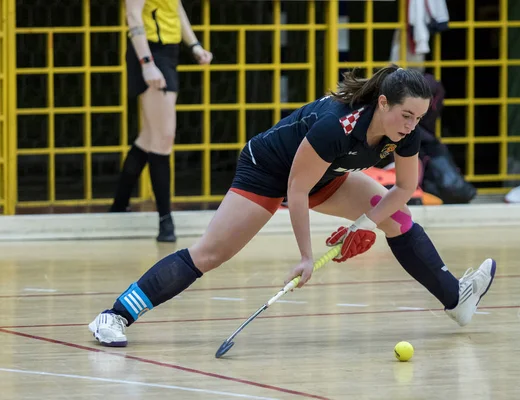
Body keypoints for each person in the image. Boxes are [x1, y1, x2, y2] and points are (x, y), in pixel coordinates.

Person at [89, 66, 496, 347]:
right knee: (209, 253)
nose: (411, 126)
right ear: (384, 103)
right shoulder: (337, 125)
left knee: (397, 218)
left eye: (419, 118)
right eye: (406, 114)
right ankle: (115, 315)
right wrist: (305, 257)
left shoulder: (405, 132)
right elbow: (295, 191)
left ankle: (455, 300)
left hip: (328, 175)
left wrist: (364, 225)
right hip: (268, 171)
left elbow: (405, 188)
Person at [109, 0, 213, 242]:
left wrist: (194, 44)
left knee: (148, 138)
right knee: (163, 138)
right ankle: (165, 221)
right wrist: (147, 64)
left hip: (168, 51)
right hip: (149, 52)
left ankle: (119, 205)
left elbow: (175, 8)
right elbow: (133, 16)